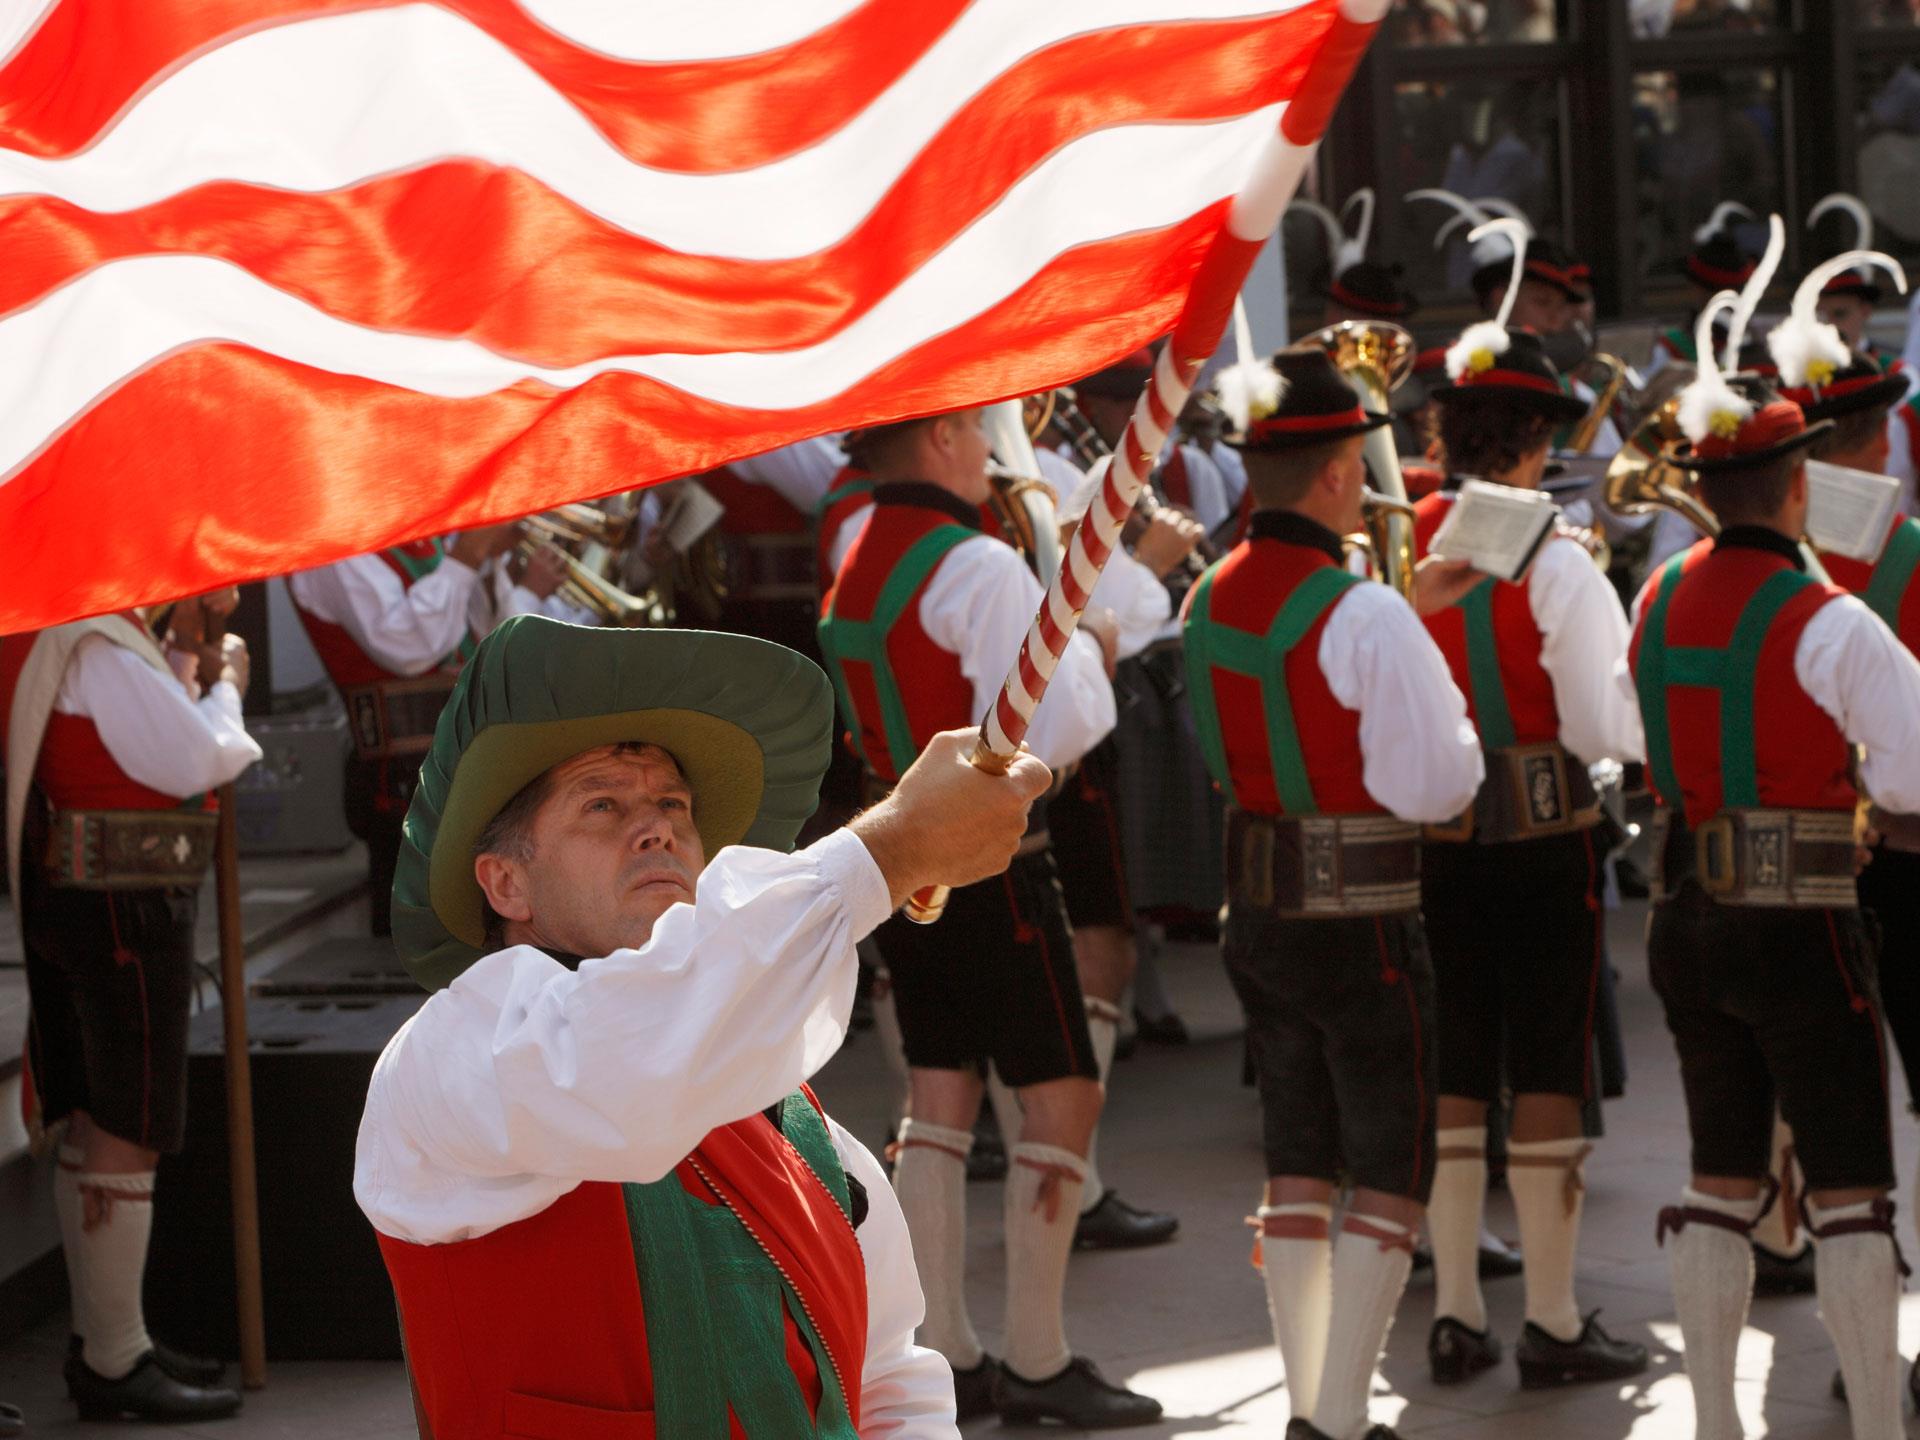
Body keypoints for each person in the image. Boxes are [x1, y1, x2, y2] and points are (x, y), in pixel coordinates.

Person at [354, 612, 1059, 1437]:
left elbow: (887, 1376)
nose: (655, 825)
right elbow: (627, 1063)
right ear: (507, 884)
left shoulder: (802, 1126)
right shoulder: (449, 1057)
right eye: (602, 805)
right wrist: (891, 848)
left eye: (672, 804)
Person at [817, 407, 1158, 1427]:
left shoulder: (854, 556)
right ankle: (1040, 1361)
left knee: (940, 1090)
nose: (988, 451)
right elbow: (1060, 727)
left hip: (902, 856)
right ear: (938, 443)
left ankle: (949, 1351)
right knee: (1061, 1098)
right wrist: (1090, 637)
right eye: (977, 432)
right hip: (997, 864)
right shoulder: (973, 564)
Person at [1182, 346, 1484, 1440]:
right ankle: (1344, 1418)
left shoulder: (1208, 594)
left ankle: (1311, 1402)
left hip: (1255, 909)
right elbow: (1436, 782)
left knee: (1296, 1151)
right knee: (1392, 1161)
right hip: (1362, 920)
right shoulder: (1363, 611)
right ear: (1340, 472)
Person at [1624, 366, 1920, 1440]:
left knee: (1718, 1172)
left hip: (1683, 910)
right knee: (1848, 1188)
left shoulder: (1654, 597)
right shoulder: (1826, 616)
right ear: (1798, 487)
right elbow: (1914, 774)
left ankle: (1715, 1426)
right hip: (1801, 920)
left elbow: (1627, 729)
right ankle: (1883, 1428)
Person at [1415, 324, 1651, 1390]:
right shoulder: (1559, 564)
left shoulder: (1397, 548)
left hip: (1434, 842)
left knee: (1457, 1066)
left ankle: (1458, 1311)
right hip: (1546, 838)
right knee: (1547, 1066)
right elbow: (1607, 731)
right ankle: (1551, 1320)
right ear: (1528, 447)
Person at [1, 593, 262, 1421]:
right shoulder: (93, 640)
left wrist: (186, 656)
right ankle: (114, 1355)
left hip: (99, 896)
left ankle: (108, 1341)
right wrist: (231, 689)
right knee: (128, 1122)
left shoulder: (85, 636)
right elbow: (191, 757)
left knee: (95, 1121)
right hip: (124, 904)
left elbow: (141, 732)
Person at [288, 526, 531, 935]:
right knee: (424, 941)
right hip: (405, 777)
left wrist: (487, 560)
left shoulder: (422, 535)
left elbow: (491, 633)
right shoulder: (332, 545)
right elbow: (408, 647)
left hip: (466, 761)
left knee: (481, 930)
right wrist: (468, 554)